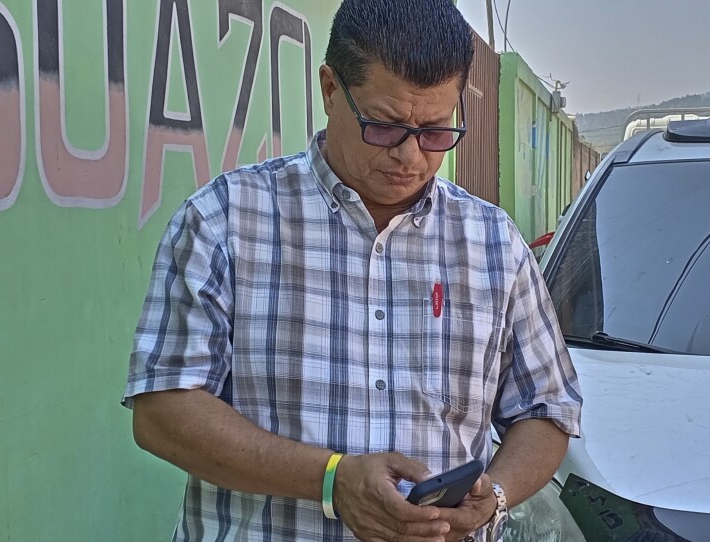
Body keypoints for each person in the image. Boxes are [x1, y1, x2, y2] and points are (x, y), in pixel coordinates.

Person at [123, 0, 582, 540]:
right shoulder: (224, 221)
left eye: (436, 131)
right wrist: (330, 480)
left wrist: (494, 496)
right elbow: (161, 411)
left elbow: (547, 411)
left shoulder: (494, 244)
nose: (411, 156)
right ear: (329, 90)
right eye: (385, 127)